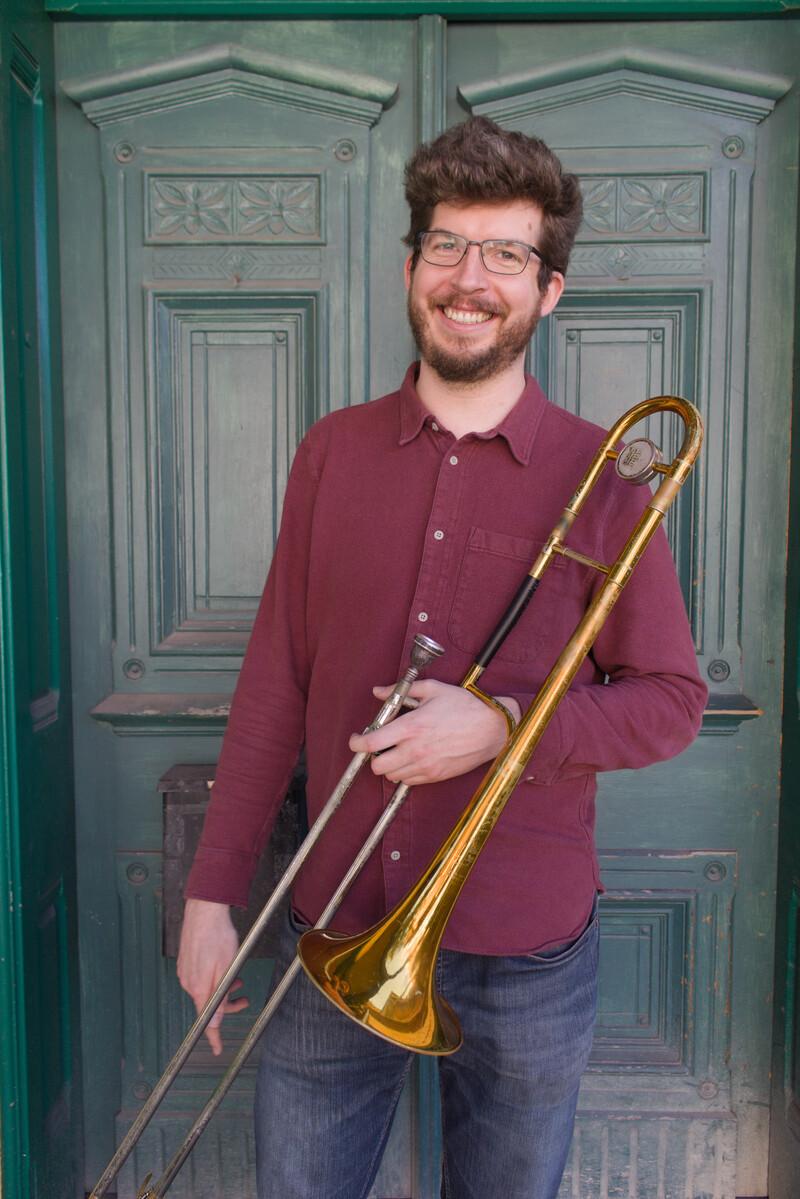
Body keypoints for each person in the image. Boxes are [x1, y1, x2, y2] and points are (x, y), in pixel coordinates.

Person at [177, 116, 707, 1199]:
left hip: (524, 945)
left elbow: (669, 701)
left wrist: (505, 725)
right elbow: (277, 678)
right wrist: (210, 893)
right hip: (334, 920)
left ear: (547, 289)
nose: (471, 279)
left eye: (506, 253)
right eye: (448, 246)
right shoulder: (330, 452)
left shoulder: (605, 479)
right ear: (409, 266)